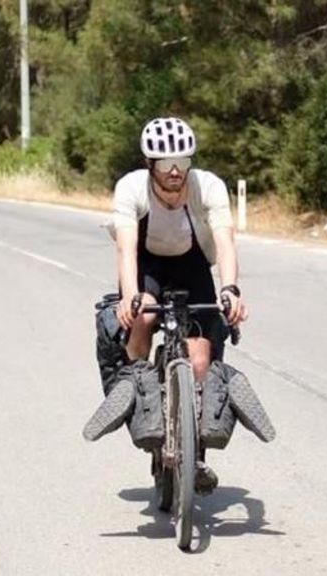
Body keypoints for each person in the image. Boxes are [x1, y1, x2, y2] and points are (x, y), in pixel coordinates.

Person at [110, 117, 247, 382]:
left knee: (199, 363)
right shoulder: (131, 188)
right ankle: (138, 385)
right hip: (147, 264)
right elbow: (126, 249)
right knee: (143, 316)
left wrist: (230, 289)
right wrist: (130, 297)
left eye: (182, 162)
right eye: (164, 163)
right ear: (149, 164)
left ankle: (191, 414)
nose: (175, 171)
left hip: (191, 264)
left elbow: (226, 243)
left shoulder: (208, 186)